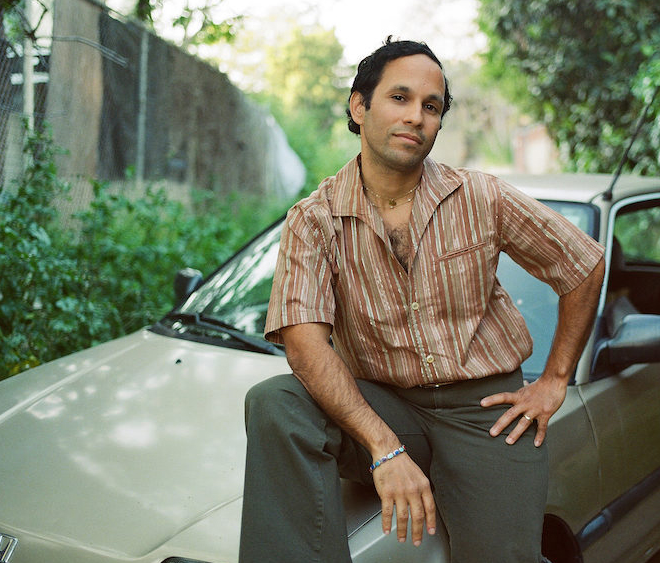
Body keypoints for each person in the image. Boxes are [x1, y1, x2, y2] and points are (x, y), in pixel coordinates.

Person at [239, 37, 605, 563]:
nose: (416, 117)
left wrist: (553, 380)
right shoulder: (313, 218)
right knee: (274, 402)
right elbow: (304, 343)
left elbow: (583, 264)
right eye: (400, 98)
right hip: (384, 403)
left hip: (485, 413)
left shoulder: (481, 195)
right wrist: (384, 446)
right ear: (359, 106)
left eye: (431, 107)